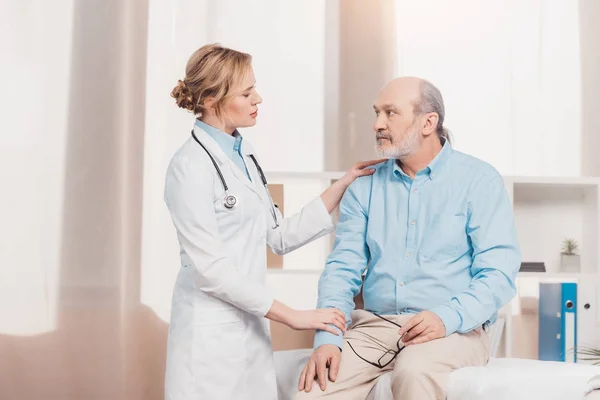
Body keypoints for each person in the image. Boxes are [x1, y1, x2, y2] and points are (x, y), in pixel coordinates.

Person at [162, 43, 385, 400]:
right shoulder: (190, 167)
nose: (259, 99)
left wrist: (341, 186)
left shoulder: (243, 155)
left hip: (248, 327)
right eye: (247, 92)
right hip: (209, 335)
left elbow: (278, 236)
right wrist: (294, 316)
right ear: (209, 100)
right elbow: (212, 270)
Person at [296, 77, 521, 400]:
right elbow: (341, 270)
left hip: (454, 329)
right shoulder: (364, 186)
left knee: (414, 373)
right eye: (376, 113)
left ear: (429, 122)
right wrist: (327, 339)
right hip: (375, 327)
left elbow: (498, 275)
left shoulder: (479, 181)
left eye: (390, 113)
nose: (377, 124)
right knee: (311, 392)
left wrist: (446, 318)